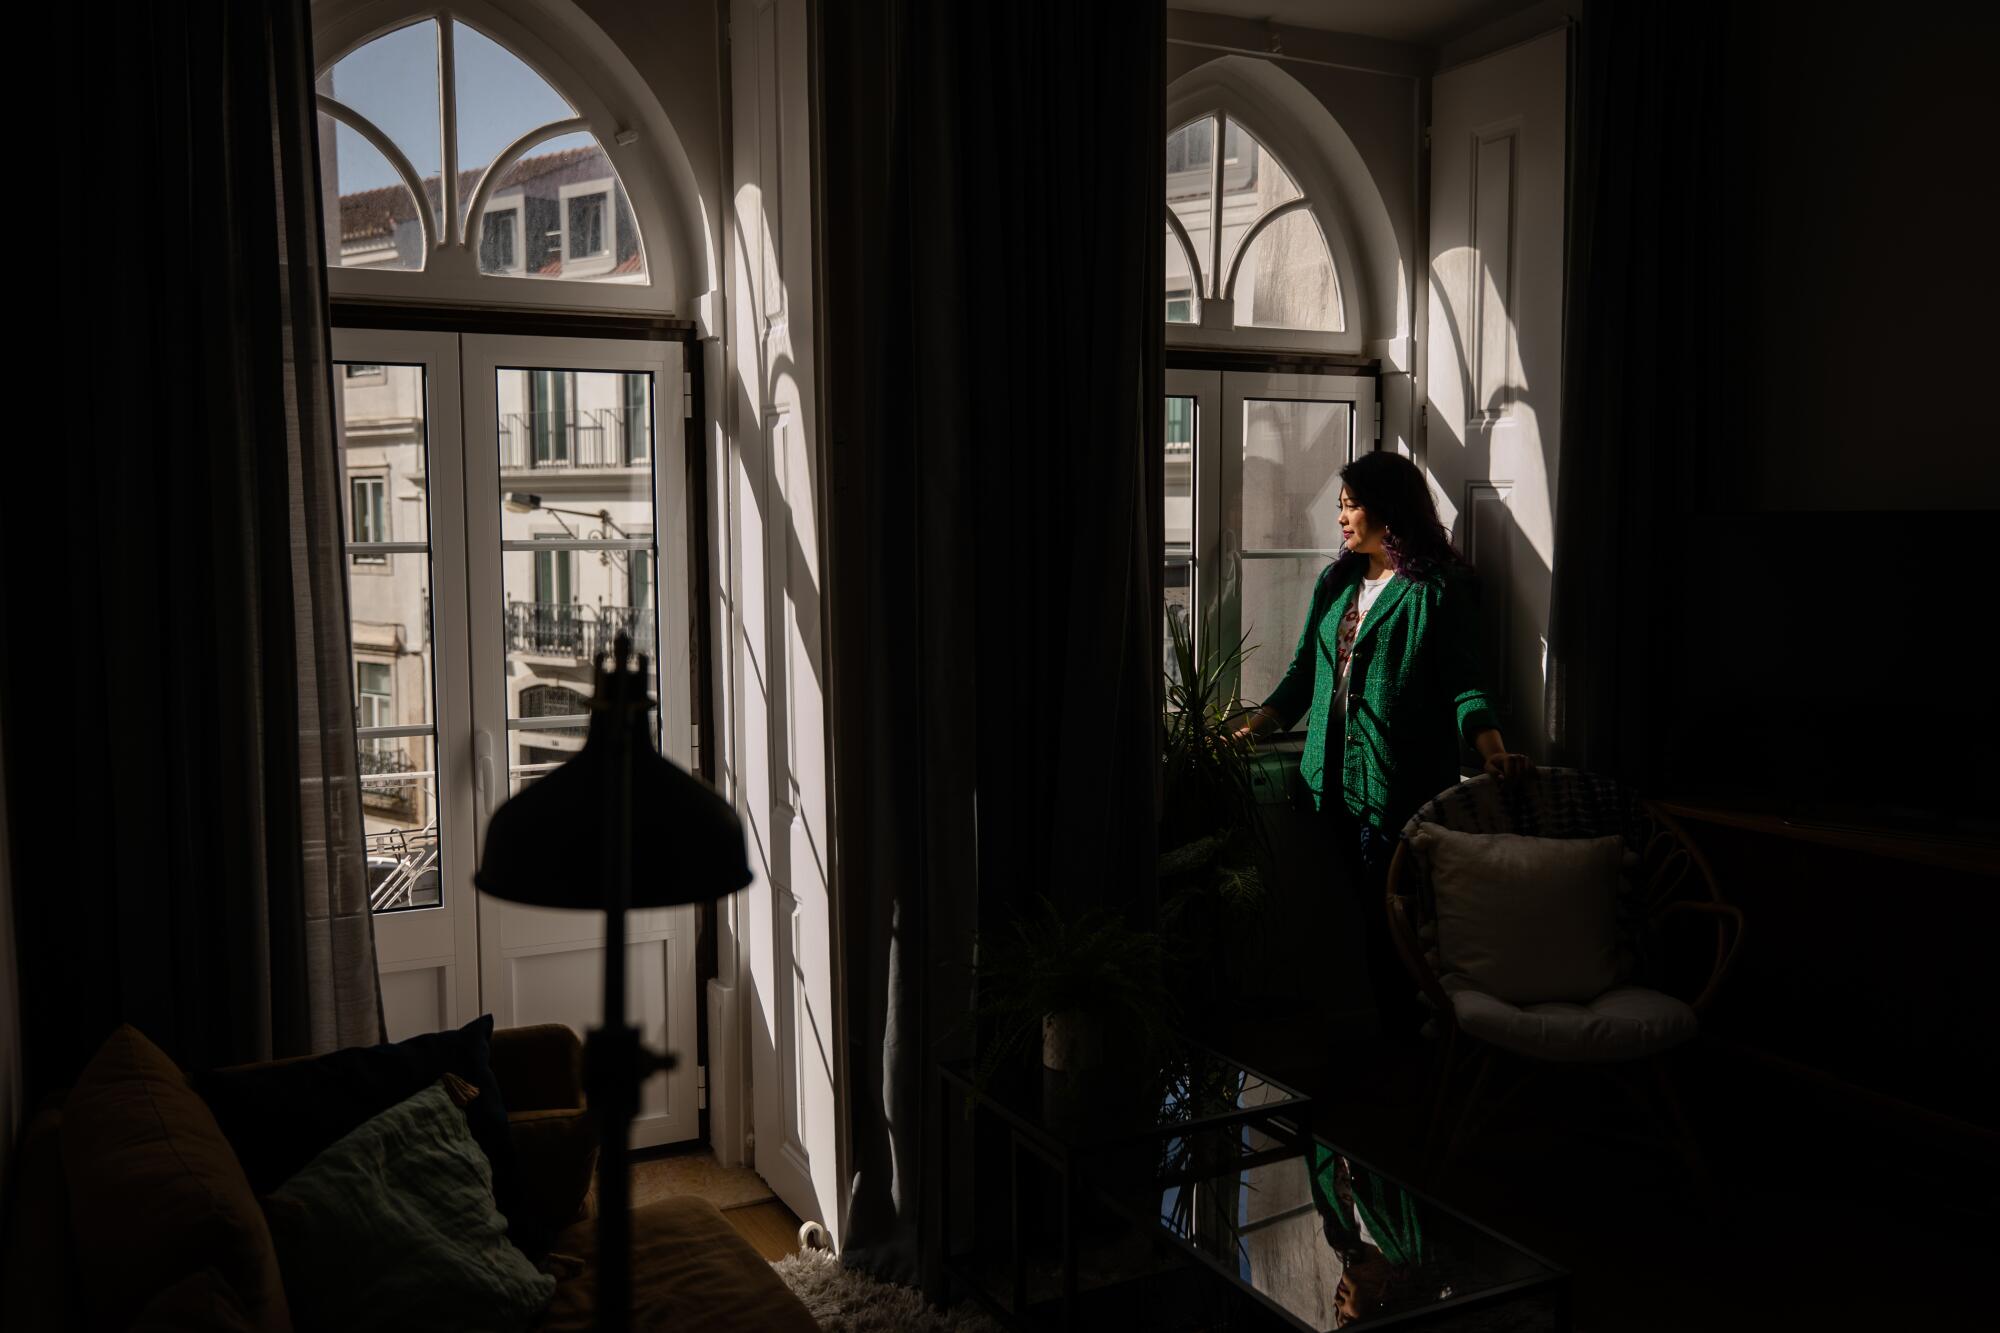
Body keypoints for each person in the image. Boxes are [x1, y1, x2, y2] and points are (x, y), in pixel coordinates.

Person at [1230, 451, 1530, 1038]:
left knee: (1396, 920)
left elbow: (1465, 683)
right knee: (1364, 918)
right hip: (1333, 781)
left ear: (1389, 511)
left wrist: (1493, 750)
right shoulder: (1337, 580)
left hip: (1399, 785)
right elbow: (1301, 678)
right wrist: (1251, 730)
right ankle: (1392, 1041)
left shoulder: (1435, 590)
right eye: (1340, 506)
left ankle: (1413, 1046)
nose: (1341, 518)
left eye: (1352, 505)